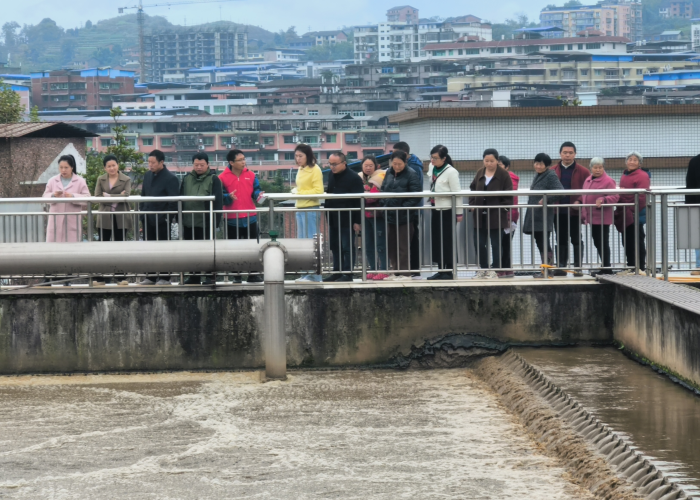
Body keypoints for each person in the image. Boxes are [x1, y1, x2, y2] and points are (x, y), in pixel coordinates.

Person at [219, 149, 265, 283]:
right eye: (240, 160)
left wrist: (258, 195)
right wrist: (228, 197)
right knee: (234, 249)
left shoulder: (251, 175)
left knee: (254, 247)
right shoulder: (222, 177)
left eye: (244, 159)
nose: (243, 162)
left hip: (251, 217)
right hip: (232, 219)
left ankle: (253, 274)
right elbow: (220, 196)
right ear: (231, 162)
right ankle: (236, 275)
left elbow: (256, 190)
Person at [180, 152, 223, 285]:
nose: (199, 167)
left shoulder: (214, 179)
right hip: (188, 221)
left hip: (206, 222)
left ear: (208, 164)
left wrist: (215, 222)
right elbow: (180, 197)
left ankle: (211, 276)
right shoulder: (187, 178)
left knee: (208, 250)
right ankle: (194, 276)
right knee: (191, 251)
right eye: (196, 165)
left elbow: (218, 202)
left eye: (202, 165)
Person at [469, 148, 513, 279]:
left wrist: (503, 209)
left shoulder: (503, 174)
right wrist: (472, 204)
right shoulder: (480, 172)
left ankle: (496, 270)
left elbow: (509, 195)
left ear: (497, 160)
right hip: (480, 214)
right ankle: (483, 268)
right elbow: (472, 188)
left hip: (496, 215)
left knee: (496, 244)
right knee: (479, 242)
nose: (489, 164)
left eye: (492, 161)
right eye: (486, 161)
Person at [138, 149, 180, 286]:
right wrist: (142, 214)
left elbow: (173, 202)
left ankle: (164, 277)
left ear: (161, 162)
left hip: (162, 220)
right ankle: (150, 276)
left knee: (164, 249)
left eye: (153, 162)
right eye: (149, 162)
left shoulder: (171, 178)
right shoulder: (147, 175)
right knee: (148, 248)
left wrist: (166, 217)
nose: (150, 165)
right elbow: (143, 196)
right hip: (147, 218)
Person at [381, 150, 422, 280]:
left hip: (404, 216)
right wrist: (384, 204)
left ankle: (405, 273)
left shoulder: (411, 174)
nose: (397, 166)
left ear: (405, 162)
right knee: (391, 245)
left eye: (399, 164)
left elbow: (416, 195)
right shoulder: (388, 172)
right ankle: (395, 271)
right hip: (390, 214)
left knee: (403, 246)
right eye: (394, 163)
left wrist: (403, 207)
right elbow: (383, 189)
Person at [324, 152, 364, 282]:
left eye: (335, 164)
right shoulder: (331, 175)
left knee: (347, 246)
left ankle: (348, 273)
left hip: (347, 217)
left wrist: (357, 221)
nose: (332, 167)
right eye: (330, 164)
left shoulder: (354, 178)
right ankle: (337, 271)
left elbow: (359, 201)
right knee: (335, 246)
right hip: (333, 216)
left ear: (344, 163)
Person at [523, 153, 564, 278]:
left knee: (544, 242)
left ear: (547, 165)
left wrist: (546, 199)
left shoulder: (550, 175)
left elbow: (560, 192)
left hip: (543, 215)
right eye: (536, 163)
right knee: (541, 242)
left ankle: (548, 270)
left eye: (541, 164)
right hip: (536, 214)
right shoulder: (539, 175)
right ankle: (546, 269)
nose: (538, 166)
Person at [552, 142, 590, 276]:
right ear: (560, 154)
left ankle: (578, 268)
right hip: (558, 211)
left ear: (575, 154)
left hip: (575, 211)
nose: (567, 155)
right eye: (565, 153)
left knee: (576, 238)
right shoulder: (552, 170)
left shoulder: (583, 171)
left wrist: (579, 200)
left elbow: (587, 189)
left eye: (570, 153)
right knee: (560, 239)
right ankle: (561, 267)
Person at [94, 154, 132, 285]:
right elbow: (98, 197)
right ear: (105, 168)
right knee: (102, 246)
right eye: (109, 166)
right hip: (105, 216)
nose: (112, 168)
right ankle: (100, 277)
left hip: (121, 217)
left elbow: (126, 196)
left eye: (114, 165)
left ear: (118, 165)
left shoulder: (126, 179)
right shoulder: (101, 179)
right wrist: (117, 196)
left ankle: (121, 277)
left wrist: (108, 196)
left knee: (120, 247)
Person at [426, 145, 461, 280]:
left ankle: (449, 270)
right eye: (431, 157)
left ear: (444, 158)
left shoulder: (451, 172)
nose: (432, 160)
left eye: (435, 158)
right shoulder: (432, 167)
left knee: (447, 240)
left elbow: (457, 194)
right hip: (435, 207)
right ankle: (440, 269)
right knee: (437, 239)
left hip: (447, 210)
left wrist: (459, 212)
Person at [581, 158, 619, 276]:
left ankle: (607, 268)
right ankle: (605, 266)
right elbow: (584, 196)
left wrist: (604, 199)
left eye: (600, 167)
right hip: (591, 216)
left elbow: (615, 197)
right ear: (591, 168)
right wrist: (583, 212)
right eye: (595, 167)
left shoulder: (608, 181)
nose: (598, 170)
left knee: (602, 242)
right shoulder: (588, 180)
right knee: (597, 242)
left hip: (602, 217)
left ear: (603, 168)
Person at [615, 152, 651, 274]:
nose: (632, 162)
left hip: (635, 212)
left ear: (639, 163)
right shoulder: (625, 174)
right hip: (625, 211)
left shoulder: (642, 176)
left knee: (637, 239)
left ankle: (640, 267)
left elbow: (642, 196)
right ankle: (631, 265)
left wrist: (633, 210)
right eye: (630, 159)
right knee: (627, 240)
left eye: (635, 160)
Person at [292, 144, 324, 282]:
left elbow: (318, 190)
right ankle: (305, 273)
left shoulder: (315, 169)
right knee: (302, 243)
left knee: (312, 243)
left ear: (308, 156)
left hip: (311, 208)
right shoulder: (301, 169)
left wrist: (300, 192)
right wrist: (297, 192)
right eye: (296, 156)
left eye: (301, 156)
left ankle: (315, 275)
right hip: (300, 207)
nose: (298, 159)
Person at [393, 142, 425, 278]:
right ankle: (404, 269)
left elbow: (415, 191)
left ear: (404, 154)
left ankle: (414, 269)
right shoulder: (410, 165)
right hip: (404, 209)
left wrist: (404, 205)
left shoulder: (413, 168)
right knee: (403, 240)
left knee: (411, 240)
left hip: (411, 209)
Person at [42, 154, 91, 243]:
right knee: (54, 246)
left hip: (72, 220)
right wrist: (53, 195)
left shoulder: (80, 181)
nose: (63, 170)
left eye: (66, 167)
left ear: (72, 167)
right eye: (61, 167)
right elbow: (44, 197)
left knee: (71, 247)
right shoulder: (52, 181)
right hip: (55, 219)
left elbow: (87, 198)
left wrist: (73, 196)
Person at [358, 156, 388, 280]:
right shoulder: (359, 178)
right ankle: (373, 269)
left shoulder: (380, 177)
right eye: (366, 165)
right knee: (368, 244)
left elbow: (373, 197)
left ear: (376, 166)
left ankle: (384, 270)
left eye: (371, 165)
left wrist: (362, 194)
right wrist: (365, 194)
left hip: (378, 216)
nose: (368, 168)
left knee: (381, 244)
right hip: (364, 216)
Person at [498, 155, 519, 278]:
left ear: (507, 167)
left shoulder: (509, 179)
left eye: (500, 165)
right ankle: (507, 268)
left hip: (508, 216)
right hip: (507, 215)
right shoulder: (505, 178)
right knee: (504, 243)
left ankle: (503, 268)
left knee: (503, 243)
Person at [686, 154, 700, 275]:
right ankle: (699, 265)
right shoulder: (695, 161)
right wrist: (689, 205)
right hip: (697, 204)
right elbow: (690, 184)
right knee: (698, 236)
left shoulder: (695, 161)